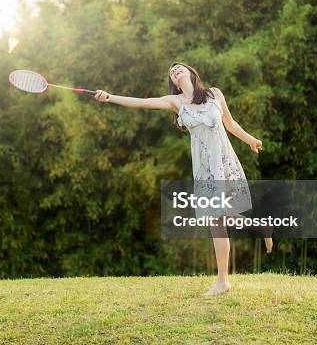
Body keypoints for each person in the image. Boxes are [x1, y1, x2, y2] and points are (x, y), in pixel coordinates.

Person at [94, 62, 273, 296]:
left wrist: (250, 140)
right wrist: (110, 97)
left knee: (216, 218)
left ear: (190, 72)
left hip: (223, 161)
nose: (175, 70)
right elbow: (143, 102)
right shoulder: (175, 103)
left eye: (179, 67)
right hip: (203, 167)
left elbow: (230, 124)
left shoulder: (214, 94)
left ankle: (224, 279)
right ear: (173, 82)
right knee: (215, 218)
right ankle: (254, 234)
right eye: (171, 72)